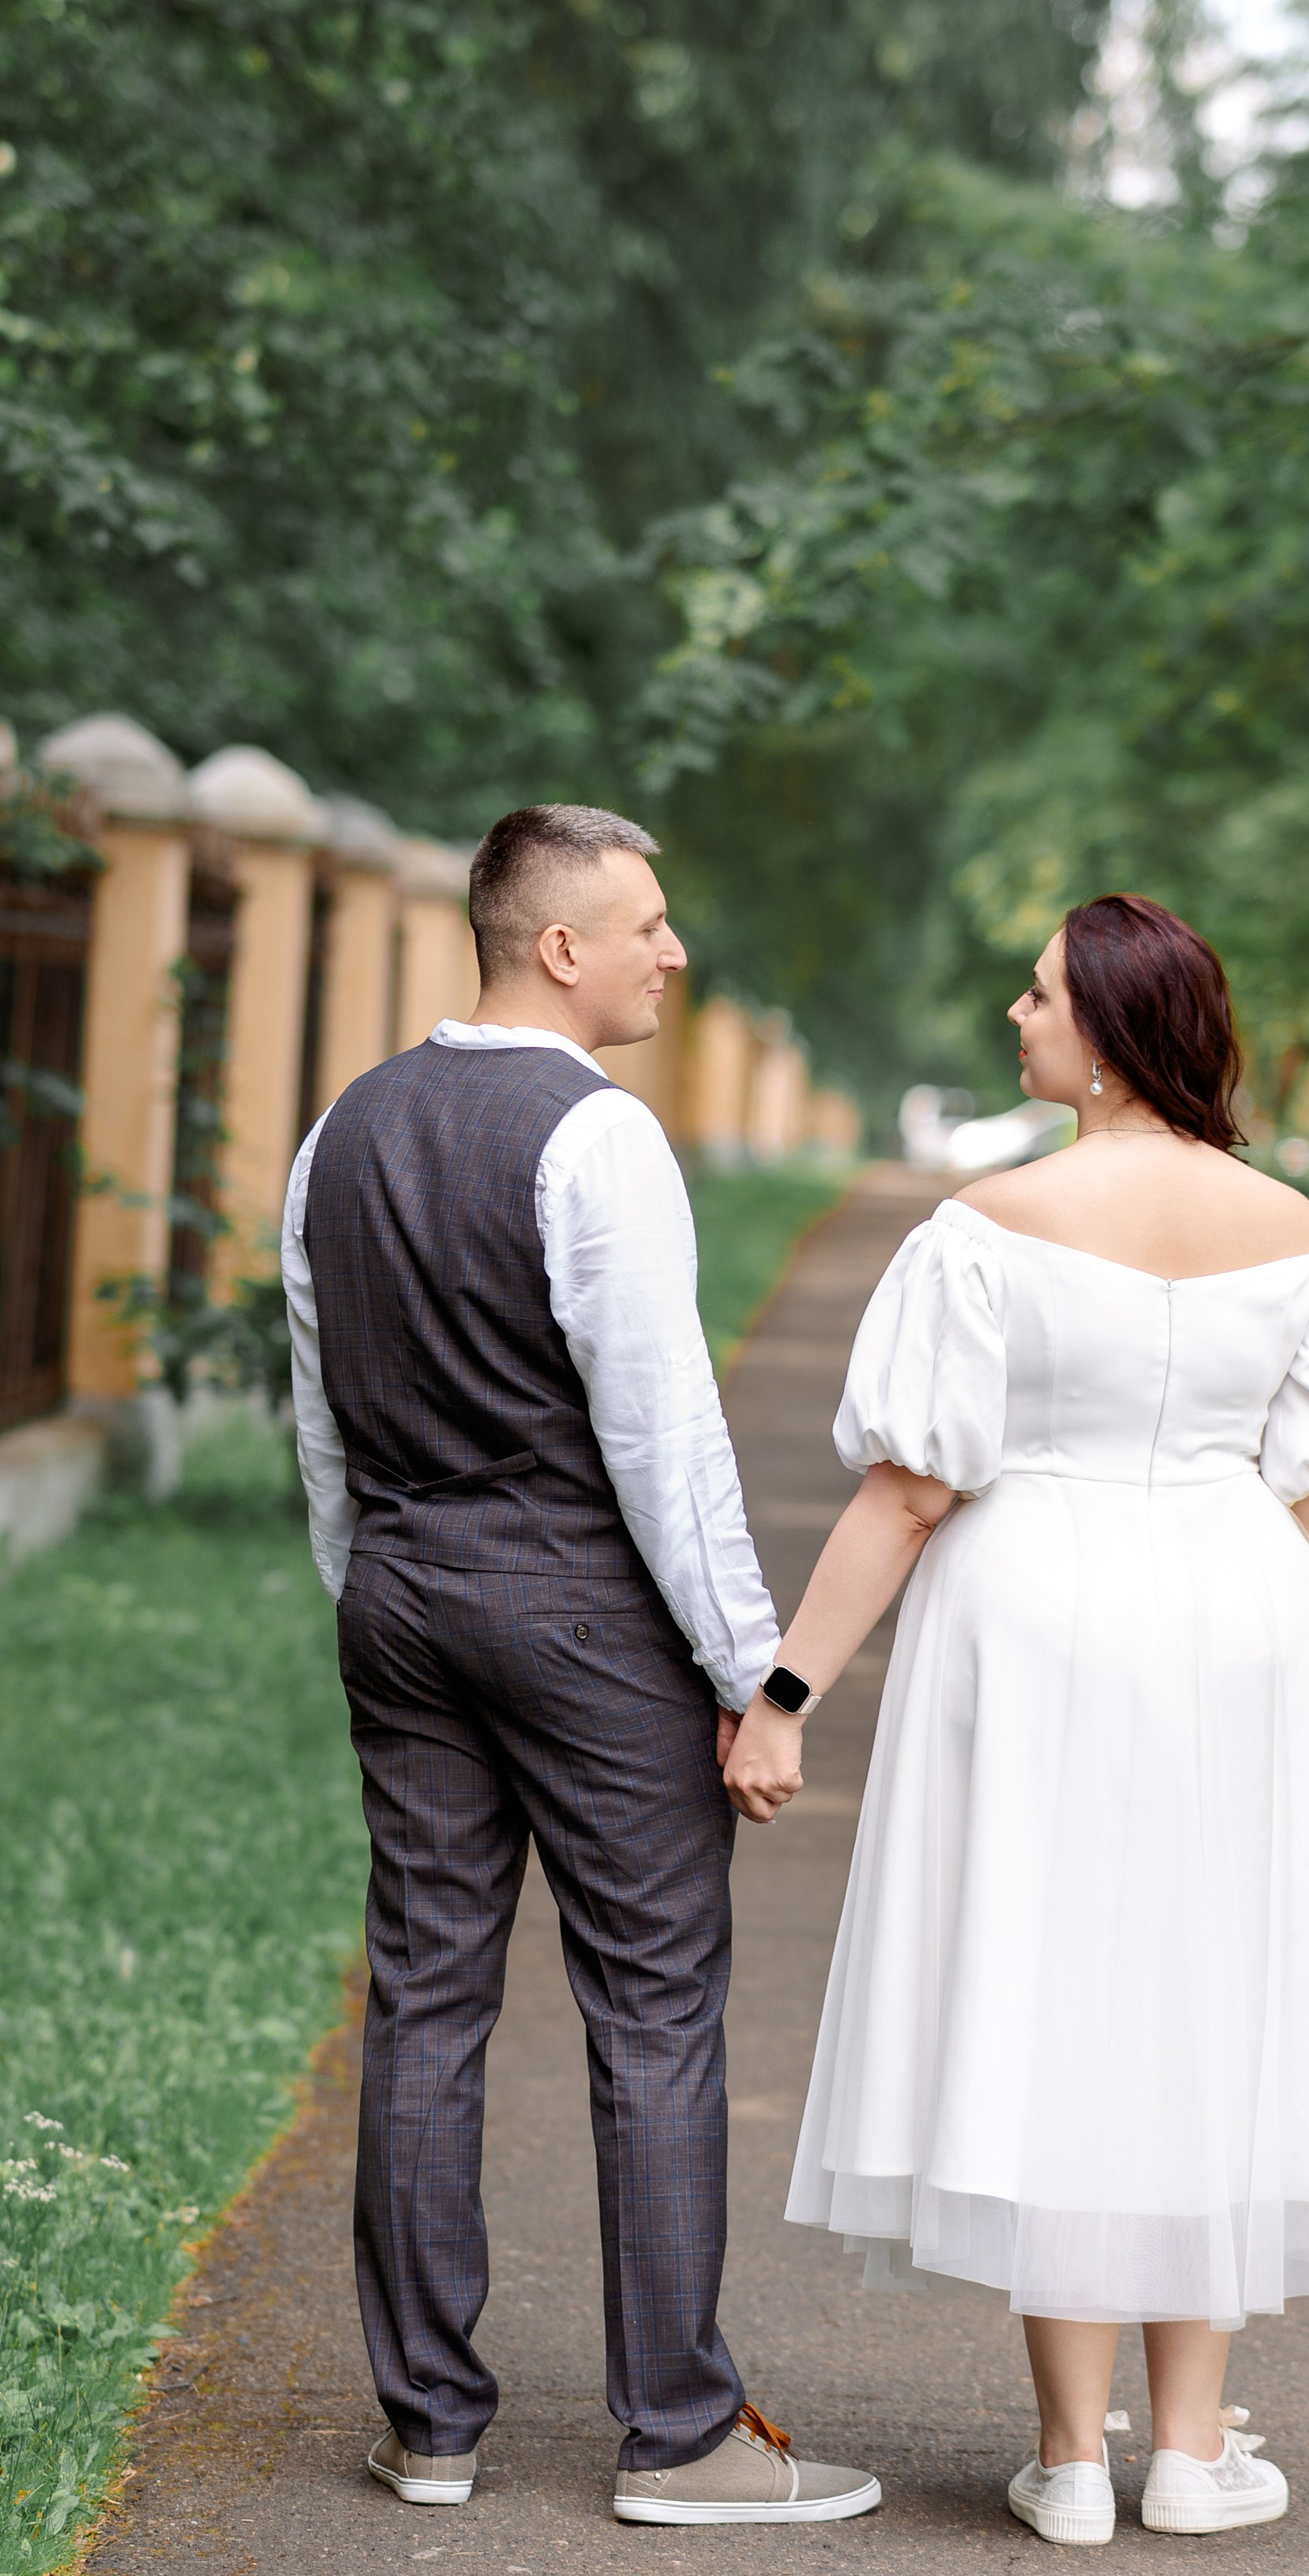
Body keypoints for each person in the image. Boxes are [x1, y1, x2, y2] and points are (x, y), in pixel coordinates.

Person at [722, 892, 1309, 2545]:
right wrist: (1282, 1688)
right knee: (1201, 2003)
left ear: (1101, 1035)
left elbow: (908, 1487)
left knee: (1061, 1996)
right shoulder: (1292, 1229)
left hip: (1036, 1625)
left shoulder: (988, 1224)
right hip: (1240, 1624)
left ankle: (1075, 2461)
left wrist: (783, 1687)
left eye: (1034, 997)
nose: (1012, 1016)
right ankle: (1187, 2449)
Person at [280, 803, 879, 2527]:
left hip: (397, 1587)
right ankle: (679, 2437)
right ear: (558, 944)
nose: (672, 951)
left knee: (428, 1992)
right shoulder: (597, 1137)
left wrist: (375, 1586)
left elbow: (320, 1407)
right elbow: (663, 1434)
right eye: (647, 923)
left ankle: (429, 2422)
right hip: (573, 1602)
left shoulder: (340, 1131)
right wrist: (753, 1672)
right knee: (654, 2003)